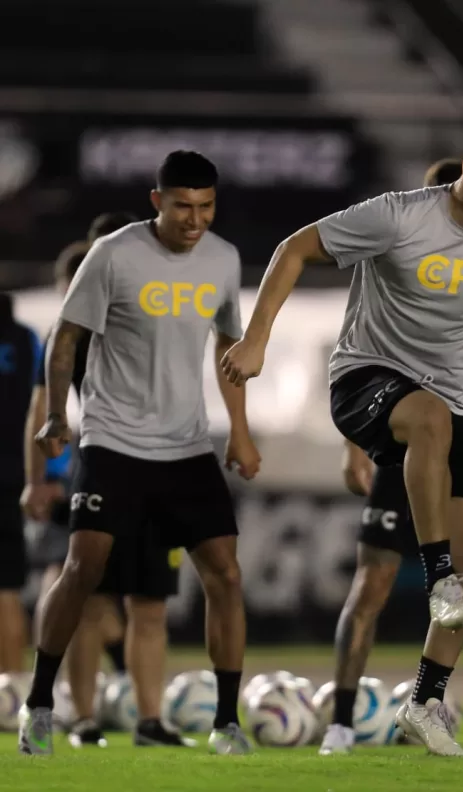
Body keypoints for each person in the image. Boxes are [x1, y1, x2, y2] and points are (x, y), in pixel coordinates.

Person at [219, 111, 463, 756]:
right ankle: (437, 582)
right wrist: (256, 339)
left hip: (450, 406)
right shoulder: (398, 215)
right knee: (425, 451)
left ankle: (425, 701)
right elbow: (295, 248)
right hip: (367, 383)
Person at [19, 150, 260, 756]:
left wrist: (239, 428)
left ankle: (226, 723)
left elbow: (229, 345)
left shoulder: (223, 259)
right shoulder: (114, 254)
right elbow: (65, 337)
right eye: (183, 205)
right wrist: (55, 414)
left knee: (226, 575)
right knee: (83, 570)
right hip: (114, 441)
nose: (194, 219)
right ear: (158, 201)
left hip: (185, 446)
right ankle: (41, 705)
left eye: (205, 206)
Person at [321, 158, 463, 756]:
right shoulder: (404, 268)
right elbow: (361, 361)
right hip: (403, 446)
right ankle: (339, 719)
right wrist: (354, 444)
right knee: (373, 582)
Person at [24, 219, 193, 749]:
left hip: (162, 469)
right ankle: (84, 718)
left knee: (146, 603)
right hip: (105, 467)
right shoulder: (74, 327)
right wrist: (37, 475)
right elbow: (41, 407)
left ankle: (146, 721)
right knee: (94, 600)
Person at [0, 291, 41, 673]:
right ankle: (8, 690)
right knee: (7, 590)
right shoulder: (25, 339)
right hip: (12, 476)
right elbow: (42, 408)